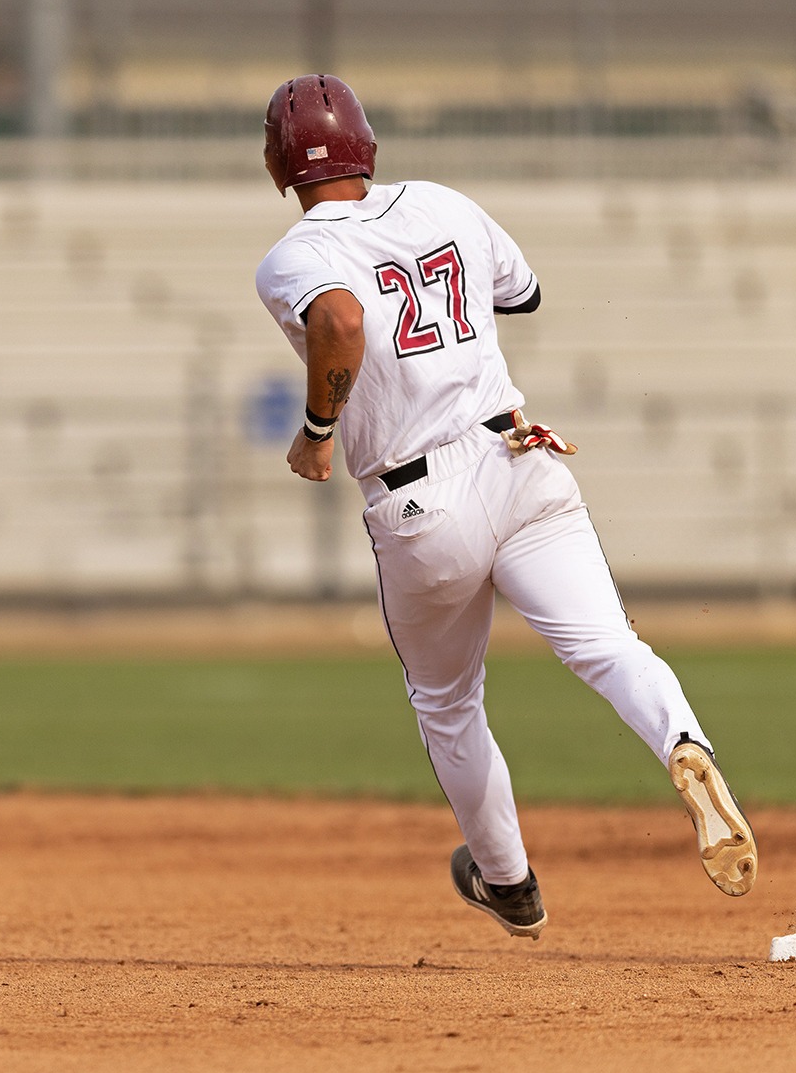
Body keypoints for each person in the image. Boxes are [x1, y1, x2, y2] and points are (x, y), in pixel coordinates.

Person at [253, 74, 756, 938]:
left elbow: (339, 321)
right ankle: (683, 741)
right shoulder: (445, 202)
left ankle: (510, 883)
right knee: (609, 647)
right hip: (517, 457)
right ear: (367, 144)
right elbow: (522, 294)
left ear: (276, 166)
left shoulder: (292, 256)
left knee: (448, 704)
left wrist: (317, 431)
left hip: (420, 499)